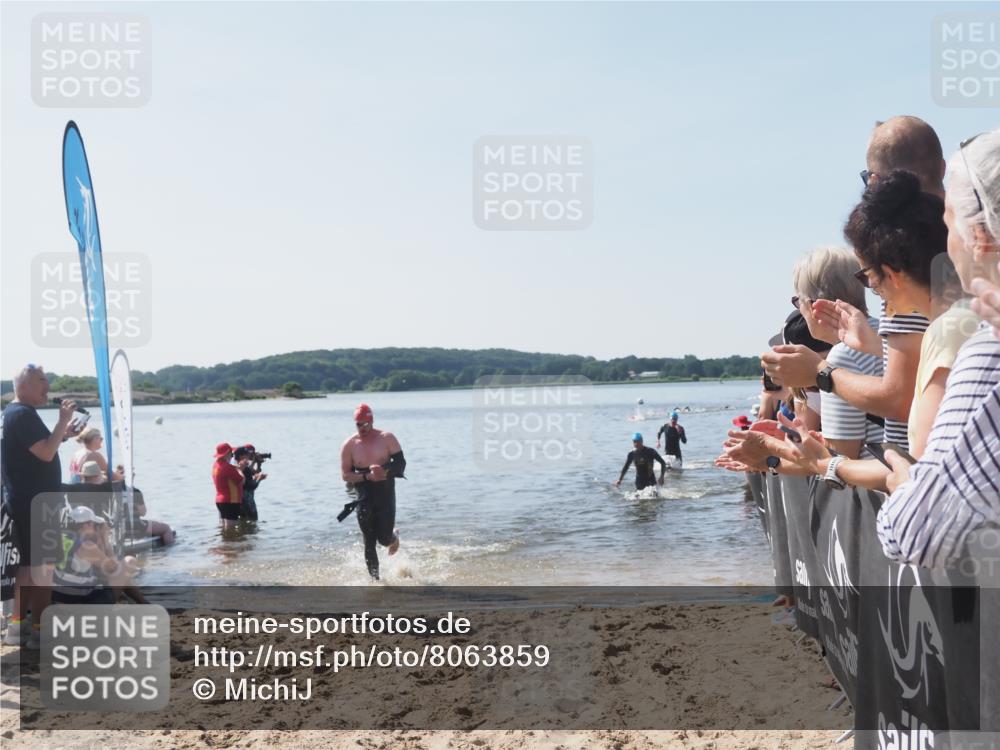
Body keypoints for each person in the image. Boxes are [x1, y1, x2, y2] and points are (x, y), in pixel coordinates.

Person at [762, 117, 947, 452]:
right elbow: (938, 358)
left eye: (870, 278)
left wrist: (821, 373)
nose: (873, 288)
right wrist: (876, 343)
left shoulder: (903, 256)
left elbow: (901, 399)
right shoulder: (962, 237)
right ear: (943, 169)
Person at [875, 130, 1000, 568]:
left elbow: (918, 533)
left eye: (950, 223)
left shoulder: (989, 351)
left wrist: (905, 484)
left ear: (979, 237)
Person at [1, 364, 83, 648]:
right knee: (44, 568)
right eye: (41, 381)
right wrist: (62, 420)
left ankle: (16, 628)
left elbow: (37, 450)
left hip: (23, 500)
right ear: (23, 385)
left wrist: (63, 433)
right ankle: (39, 630)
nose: (48, 387)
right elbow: (46, 454)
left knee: (26, 568)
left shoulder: (12, 413)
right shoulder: (23, 414)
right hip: (37, 504)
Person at [340, 404, 405, 580]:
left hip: (385, 493)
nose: (362, 428)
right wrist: (367, 476)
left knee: (383, 540)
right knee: (368, 540)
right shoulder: (349, 445)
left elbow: (401, 465)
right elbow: (345, 475)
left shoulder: (387, 438)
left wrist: (384, 470)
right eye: (358, 425)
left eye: (365, 424)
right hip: (364, 495)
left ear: (372, 421)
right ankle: (375, 582)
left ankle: (394, 536)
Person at [51, 506, 138, 605]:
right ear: (87, 525)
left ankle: (142, 601)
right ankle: (143, 602)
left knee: (111, 577)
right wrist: (106, 540)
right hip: (81, 601)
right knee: (129, 561)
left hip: (59, 597)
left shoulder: (60, 538)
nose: (95, 528)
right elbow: (114, 568)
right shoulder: (87, 546)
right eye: (94, 524)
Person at [212, 442, 244, 530]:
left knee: (223, 528)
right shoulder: (227, 467)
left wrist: (235, 468)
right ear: (227, 454)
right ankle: (228, 543)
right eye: (231, 454)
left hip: (220, 501)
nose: (232, 456)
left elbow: (227, 473)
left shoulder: (216, 465)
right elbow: (242, 481)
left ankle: (224, 543)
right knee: (231, 530)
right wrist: (241, 470)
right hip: (230, 501)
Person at [234, 446, 266, 521]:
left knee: (243, 524)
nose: (249, 456)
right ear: (241, 456)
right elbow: (251, 486)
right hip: (247, 503)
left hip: (240, 502)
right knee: (253, 522)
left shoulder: (236, 468)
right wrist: (259, 479)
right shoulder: (243, 469)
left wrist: (258, 465)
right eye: (247, 454)